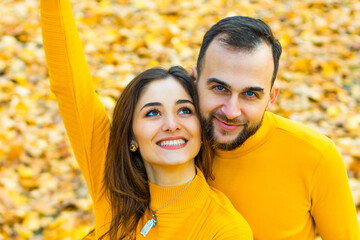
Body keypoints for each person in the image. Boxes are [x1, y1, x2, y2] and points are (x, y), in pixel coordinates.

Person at [40, 0, 253, 239]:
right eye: (152, 113)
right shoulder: (110, 184)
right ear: (131, 135)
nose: (172, 125)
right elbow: (69, 86)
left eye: (184, 110)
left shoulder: (224, 229)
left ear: (201, 127)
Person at [192, 16, 360, 239]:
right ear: (193, 80)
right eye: (220, 88)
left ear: (271, 97)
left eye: (250, 94)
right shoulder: (164, 144)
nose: (231, 111)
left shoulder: (315, 156)